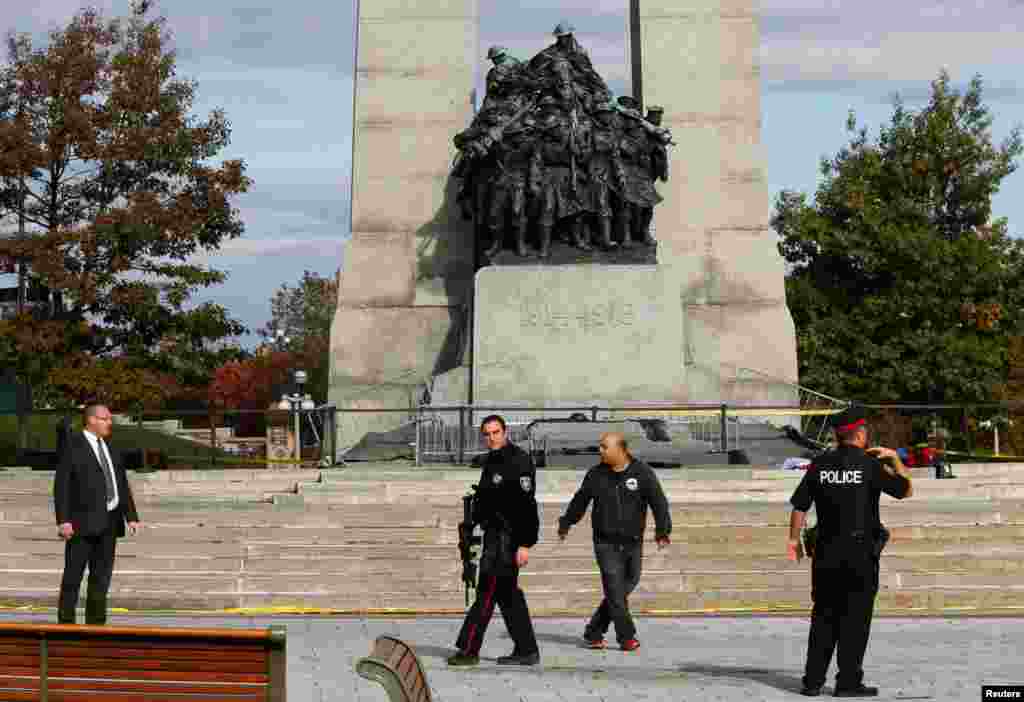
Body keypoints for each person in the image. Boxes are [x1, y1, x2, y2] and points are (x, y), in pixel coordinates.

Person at [787, 406, 913, 697]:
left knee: (823, 617)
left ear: (838, 435)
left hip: (826, 553)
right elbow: (906, 490)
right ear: (860, 434)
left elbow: (799, 506)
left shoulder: (820, 465)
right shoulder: (870, 465)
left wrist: (793, 541)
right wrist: (895, 459)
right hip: (860, 554)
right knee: (856, 619)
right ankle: (848, 682)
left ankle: (812, 682)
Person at [557, 432, 671, 651]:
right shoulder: (596, 474)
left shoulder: (642, 472)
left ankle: (594, 630)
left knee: (626, 585)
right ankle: (626, 637)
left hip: (633, 542)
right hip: (605, 543)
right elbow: (580, 500)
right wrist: (566, 522)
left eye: (604, 447)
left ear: (621, 449)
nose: (600, 450)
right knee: (614, 590)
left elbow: (659, 503)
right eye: (600, 446)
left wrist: (662, 531)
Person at [449, 415, 540, 666]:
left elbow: (527, 505)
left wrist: (525, 544)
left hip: (507, 539)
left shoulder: (519, 460)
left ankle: (469, 650)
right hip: (493, 535)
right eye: (487, 434)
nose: (491, 438)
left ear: (505, 431)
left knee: (486, 593)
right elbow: (488, 500)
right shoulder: (491, 460)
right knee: (508, 596)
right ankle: (527, 650)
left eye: (496, 432)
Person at [54, 402, 141, 625]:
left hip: (110, 522)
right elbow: (62, 485)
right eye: (106, 419)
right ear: (91, 420)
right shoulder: (72, 445)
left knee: (101, 578)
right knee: (73, 576)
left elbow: (120, 482)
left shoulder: (111, 446)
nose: (110, 423)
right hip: (81, 522)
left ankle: (96, 625)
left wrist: (131, 516)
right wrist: (63, 520)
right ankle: (66, 624)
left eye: (110, 419)